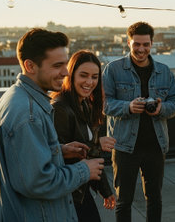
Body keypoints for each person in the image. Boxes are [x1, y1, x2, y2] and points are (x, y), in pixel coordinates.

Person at [0, 28, 104, 221]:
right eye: (57, 65)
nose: (65, 72)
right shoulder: (27, 114)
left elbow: (21, 158)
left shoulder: (17, 98)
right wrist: (85, 170)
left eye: (65, 64)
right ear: (30, 66)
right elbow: (38, 182)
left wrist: (58, 150)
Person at [102, 21, 175, 222]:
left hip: (156, 145)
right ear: (128, 43)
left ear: (152, 44)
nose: (141, 49)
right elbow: (103, 104)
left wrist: (161, 109)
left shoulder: (164, 71)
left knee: (154, 198)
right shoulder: (113, 69)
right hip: (124, 146)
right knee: (124, 200)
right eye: (136, 44)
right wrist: (128, 107)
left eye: (146, 44)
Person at [51, 50, 116, 221]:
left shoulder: (85, 104)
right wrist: (96, 144)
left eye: (94, 77)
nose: (89, 82)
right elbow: (58, 157)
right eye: (84, 75)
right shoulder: (61, 108)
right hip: (69, 194)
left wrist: (105, 191)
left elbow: (94, 157)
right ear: (71, 75)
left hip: (81, 187)